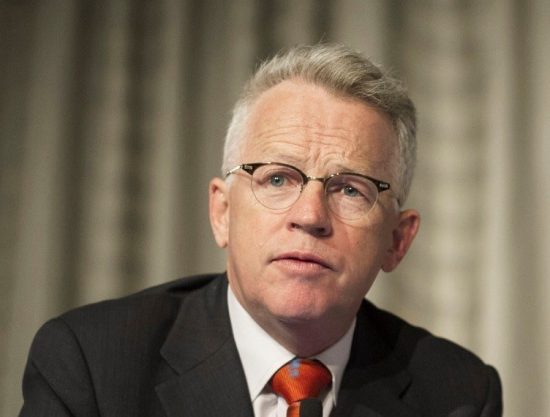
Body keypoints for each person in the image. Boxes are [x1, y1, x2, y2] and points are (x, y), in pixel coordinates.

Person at [19, 44, 502, 417]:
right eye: (277, 179)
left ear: (397, 241)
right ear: (222, 212)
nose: (310, 216)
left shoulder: (458, 395)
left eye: (350, 189)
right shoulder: (92, 365)